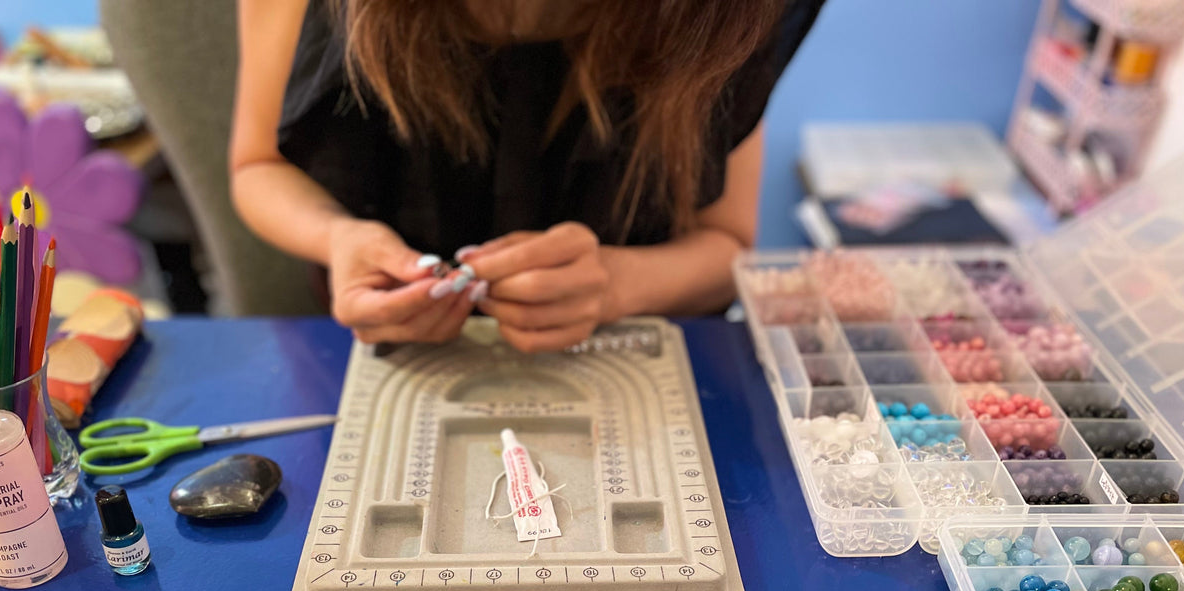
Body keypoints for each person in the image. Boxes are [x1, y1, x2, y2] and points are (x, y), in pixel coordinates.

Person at [231, 0, 821, 349]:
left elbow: (729, 246)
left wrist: (619, 284)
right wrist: (340, 238)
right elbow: (256, 167)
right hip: (375, 355)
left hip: (631, 350)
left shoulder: (724, 14)